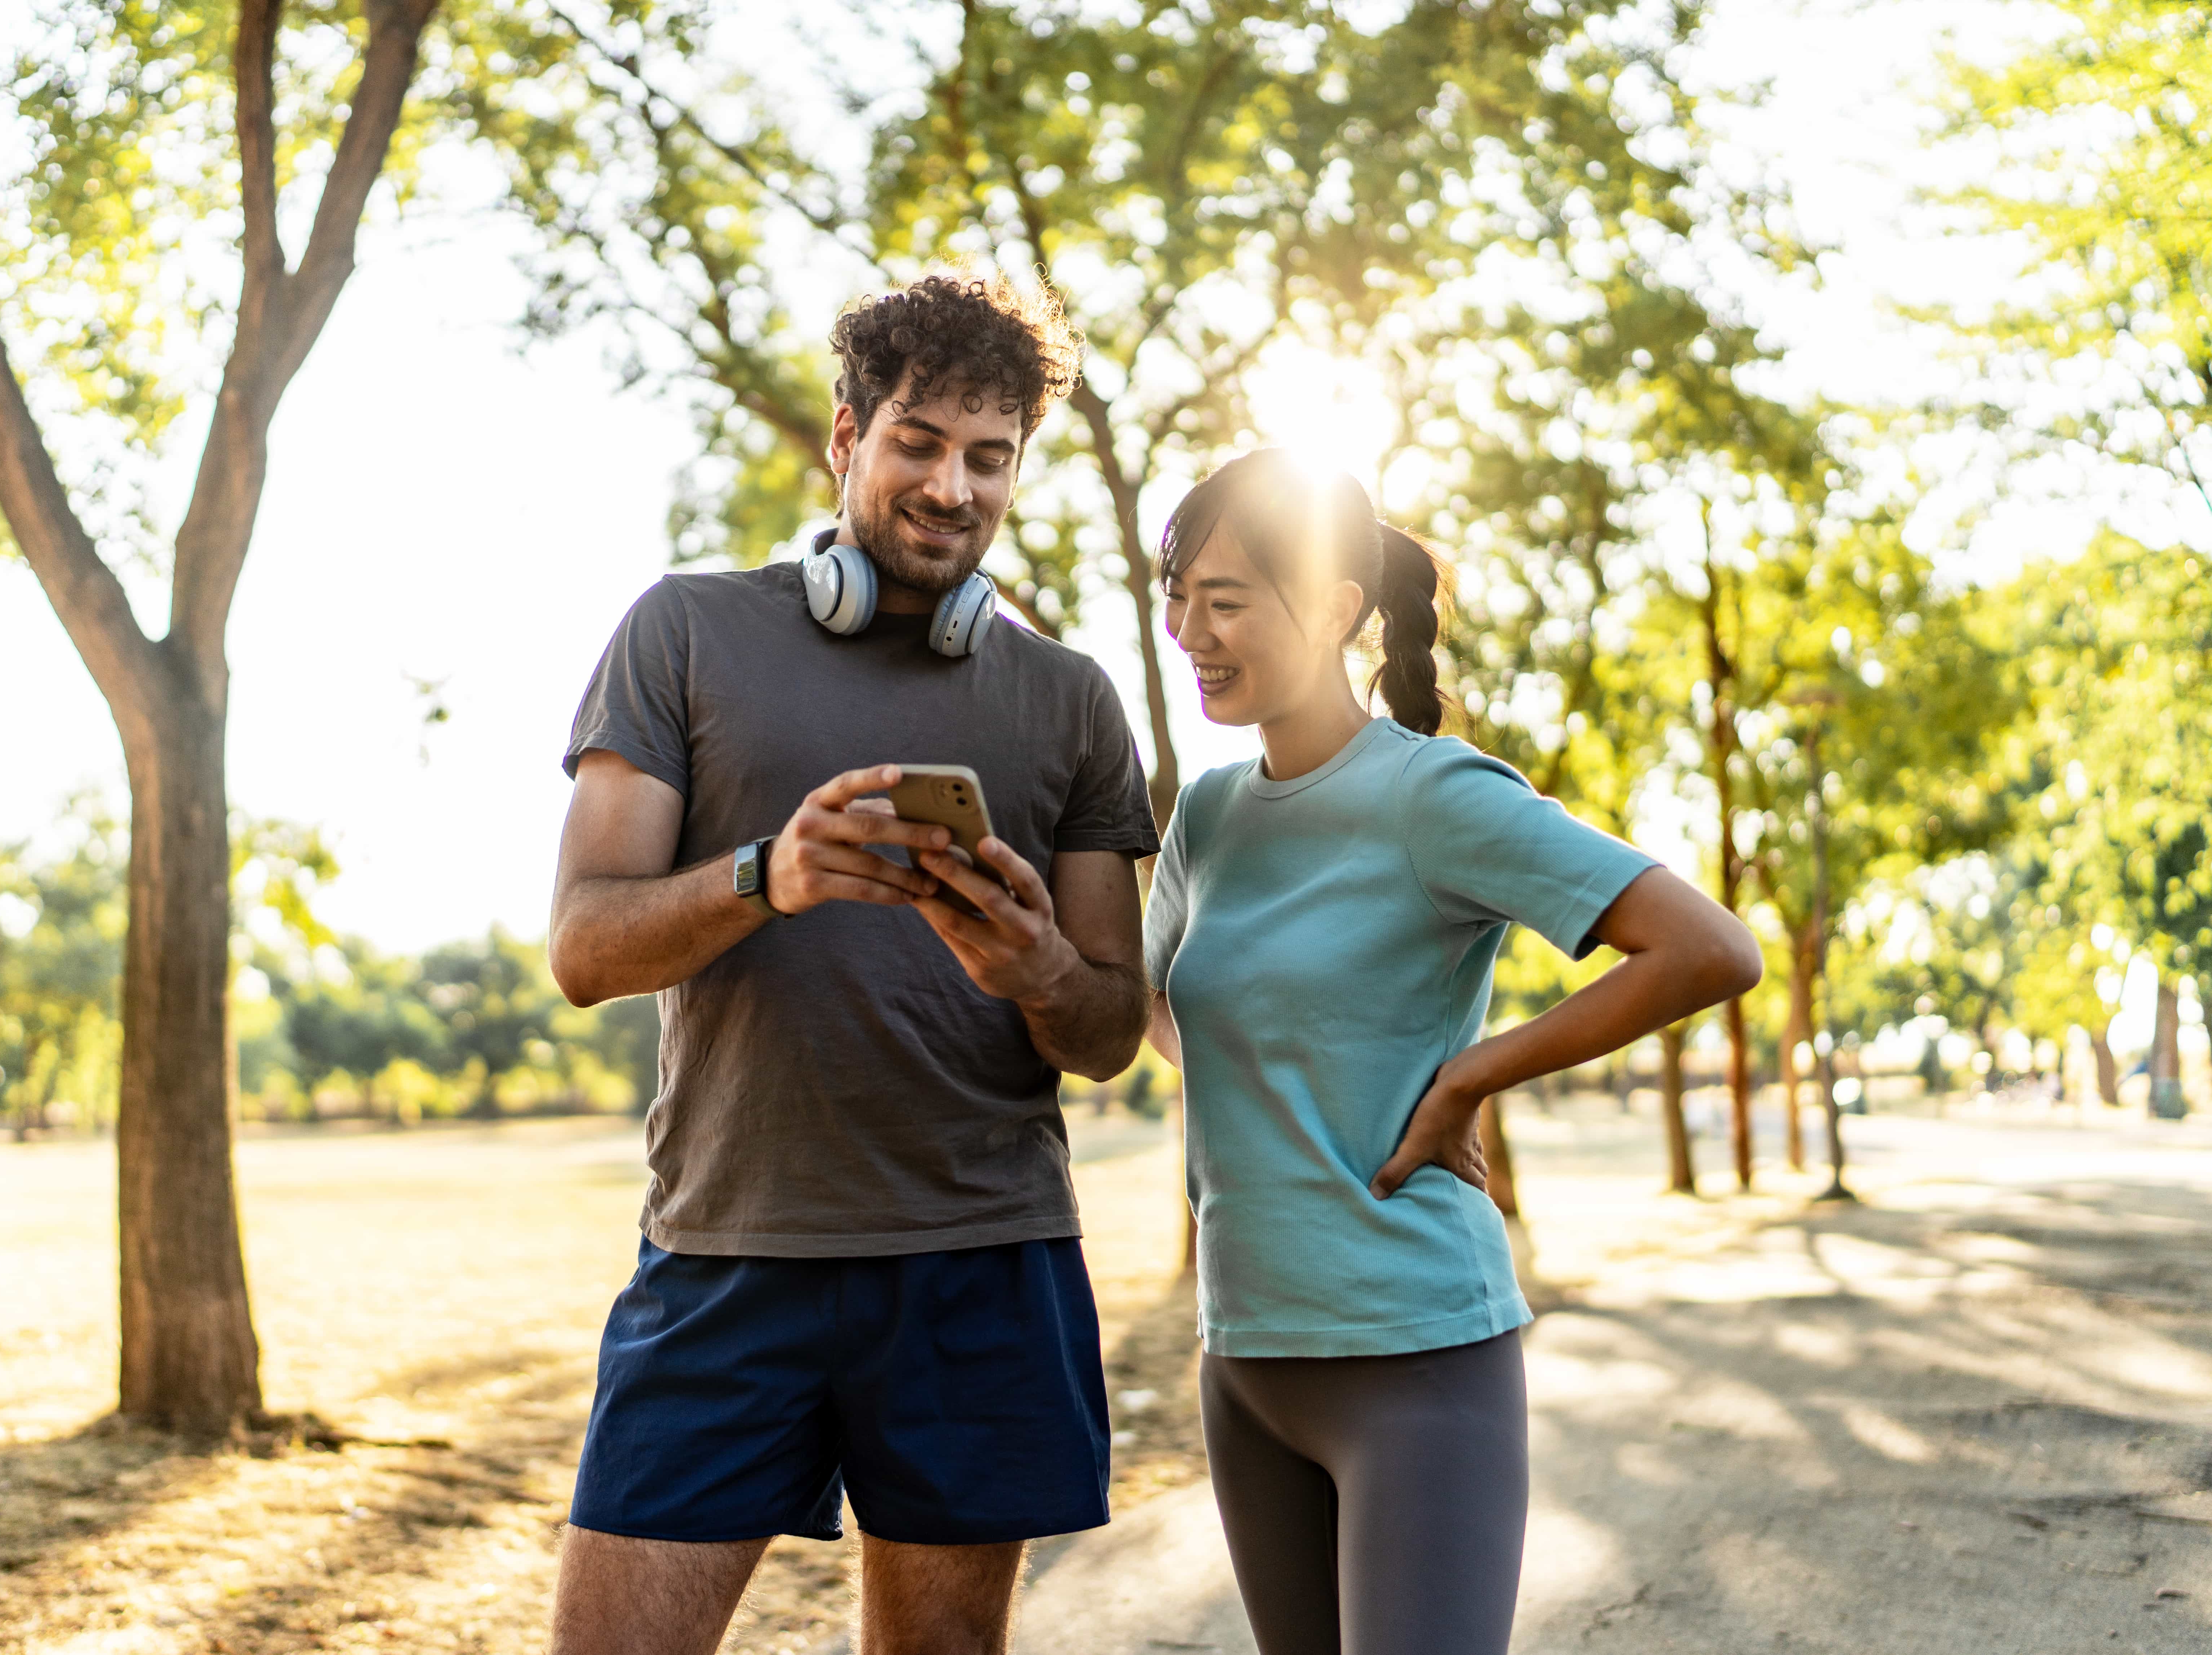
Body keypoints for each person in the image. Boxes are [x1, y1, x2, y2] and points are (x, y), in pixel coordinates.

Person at [544, 274, 1161, 1655]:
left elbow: (1110, 1027)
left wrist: (1037, 968)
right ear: (845, 439)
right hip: (727, 1254)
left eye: (990, 457)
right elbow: (585, 945)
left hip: (982, 1265)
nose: (954, 485)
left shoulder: (1070, 699)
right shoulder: (684, 631)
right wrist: (773, 875)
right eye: (919, 441)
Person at [1141, 450, 1762, 1655]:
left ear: (1332, 607)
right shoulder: (1208, 816)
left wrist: (1476, 1073)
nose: (1189, 631)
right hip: (1245, 1355)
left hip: (1414, 1358)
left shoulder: (1433, 796)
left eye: (1225, 599)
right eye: (1179, 595)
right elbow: (1150, 1008)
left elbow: (1708, 950)